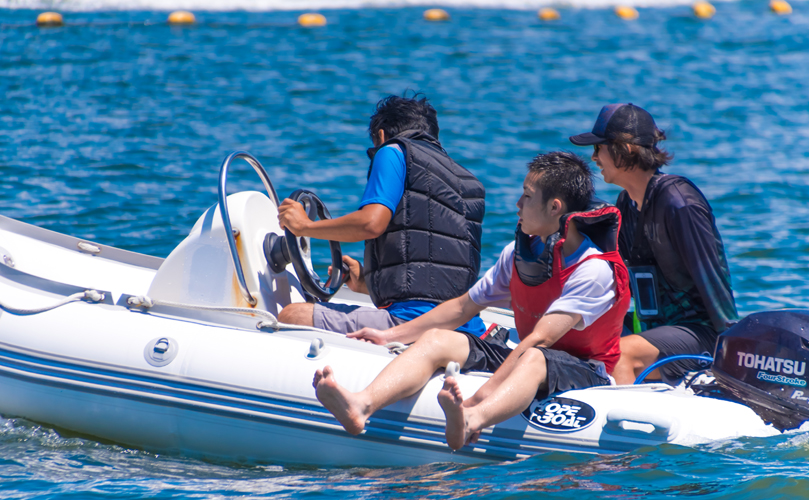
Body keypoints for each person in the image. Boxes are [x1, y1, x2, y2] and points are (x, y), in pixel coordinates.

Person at [313, 152, 630, 450]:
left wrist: (482, 394)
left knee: (533, 356)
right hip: (531, 356)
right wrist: (389, 335)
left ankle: (471, 420)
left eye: (527, 195)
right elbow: (462, 307)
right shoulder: (517, 255)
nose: (517, 203)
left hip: (588, 372)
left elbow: (541, 338)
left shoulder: (594, 269)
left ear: (554, 208)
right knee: (438, 339)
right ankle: (361, 404)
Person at [277, 94, 486, 336]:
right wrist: (367, 282)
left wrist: (304, 227)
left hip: (411, 323)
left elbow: (371, 223)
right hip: (468, 328)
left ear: (382, 135)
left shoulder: (394, 151)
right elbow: (437, 272)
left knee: (292, 315)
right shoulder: (470, 184)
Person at [569, 103, 739, 385]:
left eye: (600, 147)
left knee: (619, 354)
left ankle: (620, 424)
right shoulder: (626, 204)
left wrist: (732, 352)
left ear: (626, 149)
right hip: (656, 331)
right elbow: (615, 279)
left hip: (702, 335)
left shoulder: (678, 202)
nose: (594, 156)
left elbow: (714, 283)